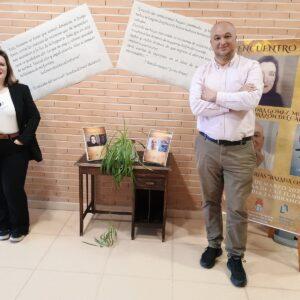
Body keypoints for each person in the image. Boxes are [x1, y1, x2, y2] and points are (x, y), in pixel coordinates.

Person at [189, 21, 263, 287]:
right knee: (209, 200)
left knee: (236, 206)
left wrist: (216, 97)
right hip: (207, 146)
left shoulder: (250, 68)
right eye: (217, 37)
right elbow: (196, 106)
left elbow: (251, 100)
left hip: (240, 150)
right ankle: (213, 245)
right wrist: (230, 102)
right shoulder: (201, 71)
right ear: (211, 42)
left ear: (235, 39)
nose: (223, 41)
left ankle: (235, 256)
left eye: (228, 36)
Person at [0, 49, 42, 243]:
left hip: (15, 146)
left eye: (1, 64)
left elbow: (34, 116)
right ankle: (3, 225)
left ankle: (19, 226)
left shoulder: (20, 89)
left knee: (12, 188)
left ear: (7, 67)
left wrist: (22, 139)